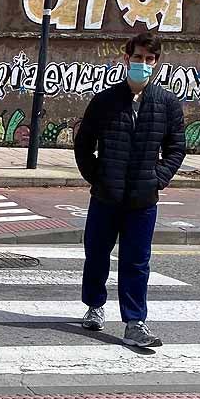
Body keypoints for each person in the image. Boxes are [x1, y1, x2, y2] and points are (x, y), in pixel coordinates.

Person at [74, 32, 186, 348]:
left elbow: (177, 148)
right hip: (106, 196)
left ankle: (135, 322)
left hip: (142, 199)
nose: (143, 64)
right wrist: (98, 178)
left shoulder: (166, 104)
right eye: (138, 58)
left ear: (157, 64)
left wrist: (157, 179)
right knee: (96, 254)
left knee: (136, 261)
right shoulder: (105, 101)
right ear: (127, 59)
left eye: (149, 60)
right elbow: (84, 145)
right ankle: (94, 305)